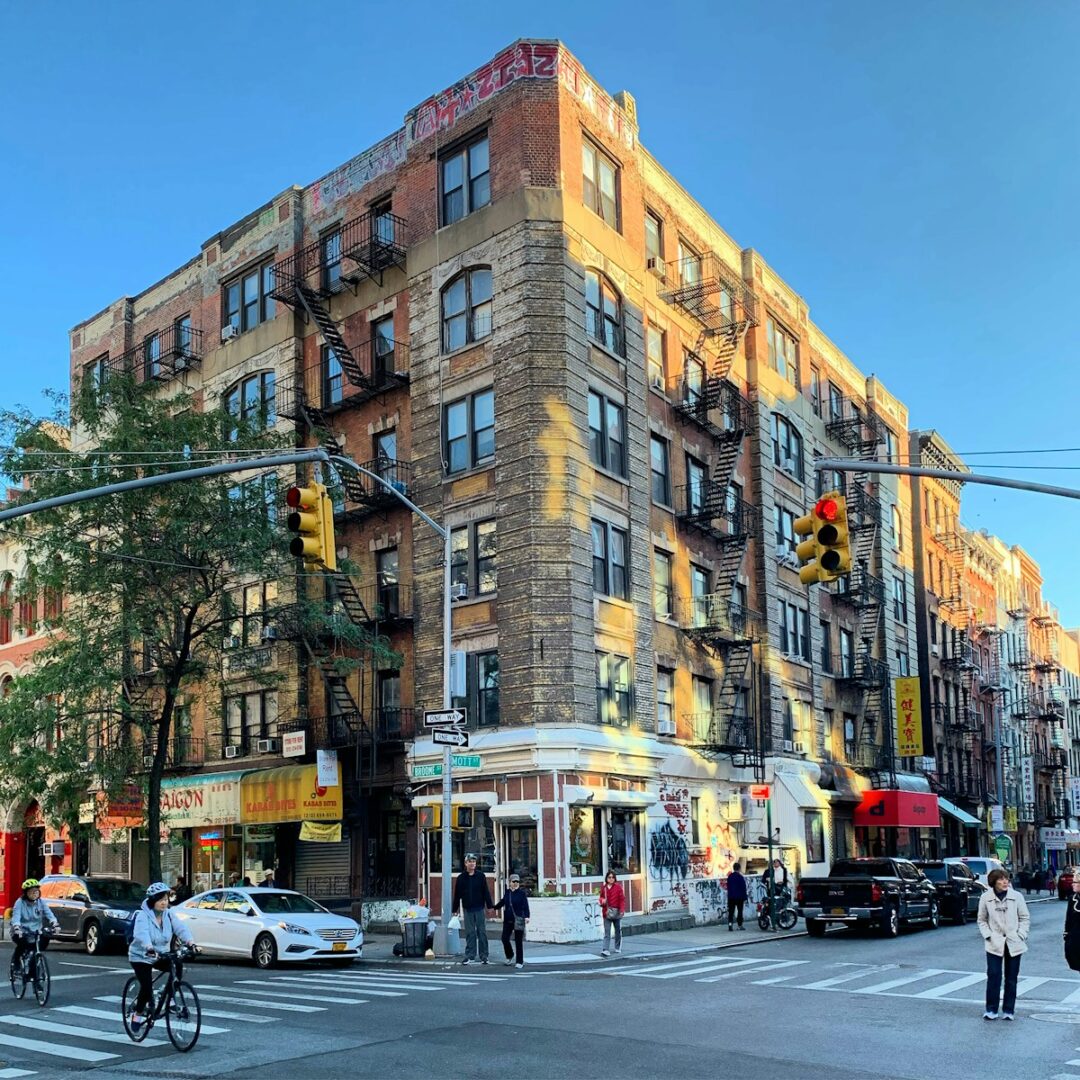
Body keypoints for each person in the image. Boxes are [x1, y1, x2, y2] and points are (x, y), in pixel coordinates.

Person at [128, 882, 196, 1031]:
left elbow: (181, 928)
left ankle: (171, 998)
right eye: (160, 900)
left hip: (161, 953)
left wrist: (191, 942)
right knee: (146, 987)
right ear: (153, 901)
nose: (164, 903)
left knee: (177, 964)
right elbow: (141, 933)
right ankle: (137, 1014)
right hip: (141, 956)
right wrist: (148, 947)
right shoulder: (142, 916)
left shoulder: (169, 915)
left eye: (166, 899)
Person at [978, 868, 1030, 1021]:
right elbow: (981, 920)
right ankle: (991, 1009)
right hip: (994, 942)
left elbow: (1024, 918)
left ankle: (1008, 1010)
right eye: (1001, 879)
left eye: (1006, 878)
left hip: (1014, 941)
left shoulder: (1017, 897)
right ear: (994, 882)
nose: (1005, 881)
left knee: (1011, 977)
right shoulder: (985, 898)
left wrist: (1021, 934)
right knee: (994, 975)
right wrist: (988, 935)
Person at [11, 879, 59, 975]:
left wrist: (55, 924)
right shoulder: (20, 903)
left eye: (36, 891)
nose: (34, 894)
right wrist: (17, 927)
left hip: (36, 931)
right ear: (26, 893)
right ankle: (16, 965)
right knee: (22, 945)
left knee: (35, 952)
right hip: (21, 931)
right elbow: (16, 917)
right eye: (31, 892)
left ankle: (35, 979)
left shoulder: (41, 902)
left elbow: (49, 913)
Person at [452, 853, 493, 965]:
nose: (472, 863)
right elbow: (457, 895)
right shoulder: (461, 878)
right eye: (470, 861)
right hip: (467, 909)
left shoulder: (481, 876)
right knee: (470, 933)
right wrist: (454, 909)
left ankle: (484, 956)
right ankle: (470, 955)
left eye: (474, 862)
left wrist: (489, 906)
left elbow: (486, 892)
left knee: (482, 933)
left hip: (479, 908)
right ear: (466, 863)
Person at [494, 873, 530, 969]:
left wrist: (527, 916)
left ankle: (519, 961)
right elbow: (502, 902)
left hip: (518, 920)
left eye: (517, 881)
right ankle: (509, 955)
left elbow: (525, 906)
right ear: (509, 882)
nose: (515, 883)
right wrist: (494, 907)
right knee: (504, 938)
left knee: (518, 941)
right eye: (513, 881)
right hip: (508, 919)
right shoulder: (507, 892)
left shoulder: (522, 894)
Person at [599, 870, 626, 957]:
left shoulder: (618, 888)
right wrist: (602, 901)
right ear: (606, 878)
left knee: (617, 930)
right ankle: (605, 949)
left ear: (615, 879)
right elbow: (601, 898)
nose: (611, 879)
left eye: (612, 877)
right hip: (607, 912)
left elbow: (622, 900)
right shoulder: (604, 888)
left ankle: (617, 947)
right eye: (609, 877)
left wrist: (622, 910)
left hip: (616, 912)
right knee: (607, 932)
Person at [1063, 870, 1080, 972]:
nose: (1072, 884)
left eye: (1075, 882)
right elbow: (1068, 920)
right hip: (1076, 941)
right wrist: (1067, 938)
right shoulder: (1072, 899)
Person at [726, 862, 748, 931]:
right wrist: (745, 897)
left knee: (731, 912)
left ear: (733, 868)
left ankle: (730, 924)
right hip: (739, 897)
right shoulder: (740, 877)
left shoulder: (730, 876)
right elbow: (743, 888)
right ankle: (740, 925)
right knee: (740, 911)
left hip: (731, 897)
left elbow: (728, 886)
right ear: (739, 868)